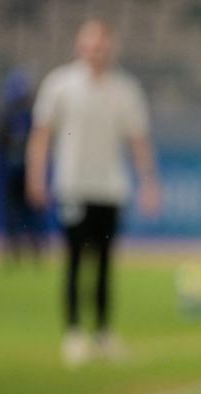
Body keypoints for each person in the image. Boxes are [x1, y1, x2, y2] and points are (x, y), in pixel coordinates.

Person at [26, 18, 160, 367]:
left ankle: (101, 332)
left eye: (101, 45)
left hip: (110, 188)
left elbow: (138, 140)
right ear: (79, 47)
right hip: (73, 186)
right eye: (90, 45)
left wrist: (148, 182)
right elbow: (41, 134)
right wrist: (36, 176)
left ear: (110, 48)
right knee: (73, 260)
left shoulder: (125, 89)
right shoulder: (61, 85)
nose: (96, 51)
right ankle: (73, 333)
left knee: (103, 262)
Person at [0, 69, 44, 265]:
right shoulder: (10, 114)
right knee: (19, 213)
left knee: (26, 213)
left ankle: (30, 250)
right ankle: (18, 251)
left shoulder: (26, 114)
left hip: (24, 171)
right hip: (15, 171)